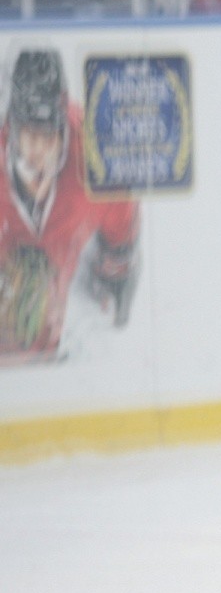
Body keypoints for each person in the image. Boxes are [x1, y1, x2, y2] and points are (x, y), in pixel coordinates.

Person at [0, 49, 138, 364]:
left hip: (63, 318)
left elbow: (121, 241)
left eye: (48, 134)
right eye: (28, 134)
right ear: (11, 124)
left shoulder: (97, 159)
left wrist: (111, 281)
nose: (38, 148)